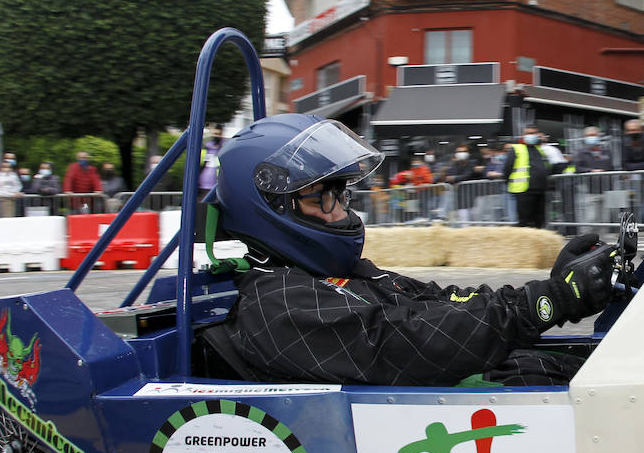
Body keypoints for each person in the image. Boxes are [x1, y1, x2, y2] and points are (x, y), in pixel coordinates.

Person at [214, 114, 616, 386]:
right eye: (320, 199)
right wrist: (547, 303)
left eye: (340, 197)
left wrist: (544, 291)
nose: (338, 215)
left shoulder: (341, 275)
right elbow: (410, 342)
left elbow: (438, 302)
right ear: (269, 210)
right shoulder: (277, 305)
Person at [507, 125, 568, 230]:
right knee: (525, 221)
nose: (532, 135)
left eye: (534, 133)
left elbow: (547, 168)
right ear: (523, 135)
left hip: (540, 190)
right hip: (523, 190)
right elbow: (507, 168)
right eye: (529, 133)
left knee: (539, 221)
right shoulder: (517, 148)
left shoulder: (539, 150)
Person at [574, 127, 615, 233]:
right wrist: (591, 171)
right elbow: (577, 168)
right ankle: (588, 244)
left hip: (606, 190)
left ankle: (601, 246)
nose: (592, 138)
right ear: (585, 138)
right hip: (590, 192)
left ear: (598, 136)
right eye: (589, 135)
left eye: (594, 135)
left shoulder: (606, 152)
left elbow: (611, 168)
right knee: (591, 219)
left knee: (604, 221)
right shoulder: (581, 152)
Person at [199, 126, 224, 201]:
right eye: (214, 133)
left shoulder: (224, 147)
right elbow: (201, 165)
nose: (216, 136)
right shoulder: (206, 147)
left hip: (219, 185)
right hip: (204, 185)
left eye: (218, 134)